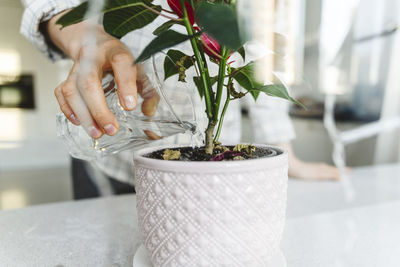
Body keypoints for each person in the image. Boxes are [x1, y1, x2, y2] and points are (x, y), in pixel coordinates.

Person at [21, 0, 340, 199]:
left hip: (203, 174)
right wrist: (85, 41)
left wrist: (285, 155)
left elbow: (263, 67)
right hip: (112, 153)